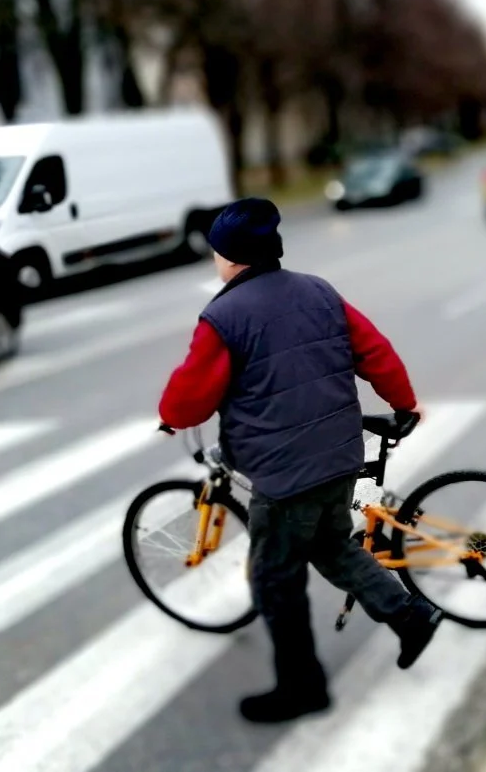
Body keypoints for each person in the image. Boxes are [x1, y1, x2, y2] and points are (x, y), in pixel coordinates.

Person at [157, 197, 442, 725]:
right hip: (337, 454)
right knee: (330, 545)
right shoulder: (319, 292)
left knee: (273, 579)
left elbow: (192, 396)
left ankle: (302, 686)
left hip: (286, 475)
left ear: (230, 258)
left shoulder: (223, 316)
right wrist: (403, 404)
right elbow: (375, 351)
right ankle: (410, 616)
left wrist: (170, 415)